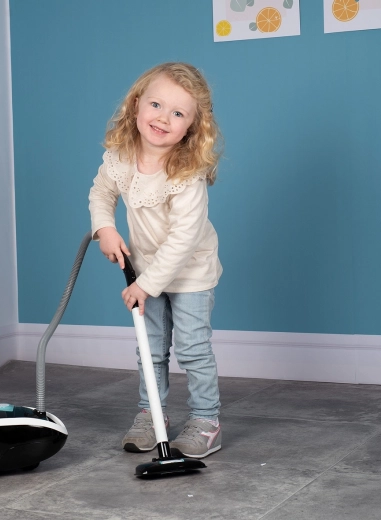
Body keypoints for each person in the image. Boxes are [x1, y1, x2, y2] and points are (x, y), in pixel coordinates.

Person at [88, 62, 223, 459]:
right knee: (151, 348)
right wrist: (105, 228)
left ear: (192, 127)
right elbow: (101, 193)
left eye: (178, 113)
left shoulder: (186, 175)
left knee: (193, 348)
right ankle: (152, 414)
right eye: (156, 105)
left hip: (190, 272)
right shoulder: (121, 157)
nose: (163, 118)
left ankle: (206, 420)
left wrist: (144, 286)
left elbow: (183, 241)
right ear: (136, 105)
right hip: (146, 270)